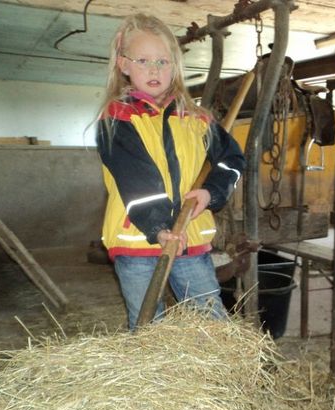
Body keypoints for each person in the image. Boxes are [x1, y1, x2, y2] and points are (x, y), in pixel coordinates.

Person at [96, 13, 245, 330]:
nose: (154, 70)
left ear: (175, 66)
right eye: (143, 60)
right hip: (137, 242)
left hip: (189, 239)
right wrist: (160, 226)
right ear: (124, 65)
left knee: (211, 325)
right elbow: (135, 178)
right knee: (149, 327)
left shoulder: (197, 119)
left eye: (163, 62)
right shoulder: (117, 118)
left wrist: (211, 193)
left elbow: (231, 159)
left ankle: (215, 377)